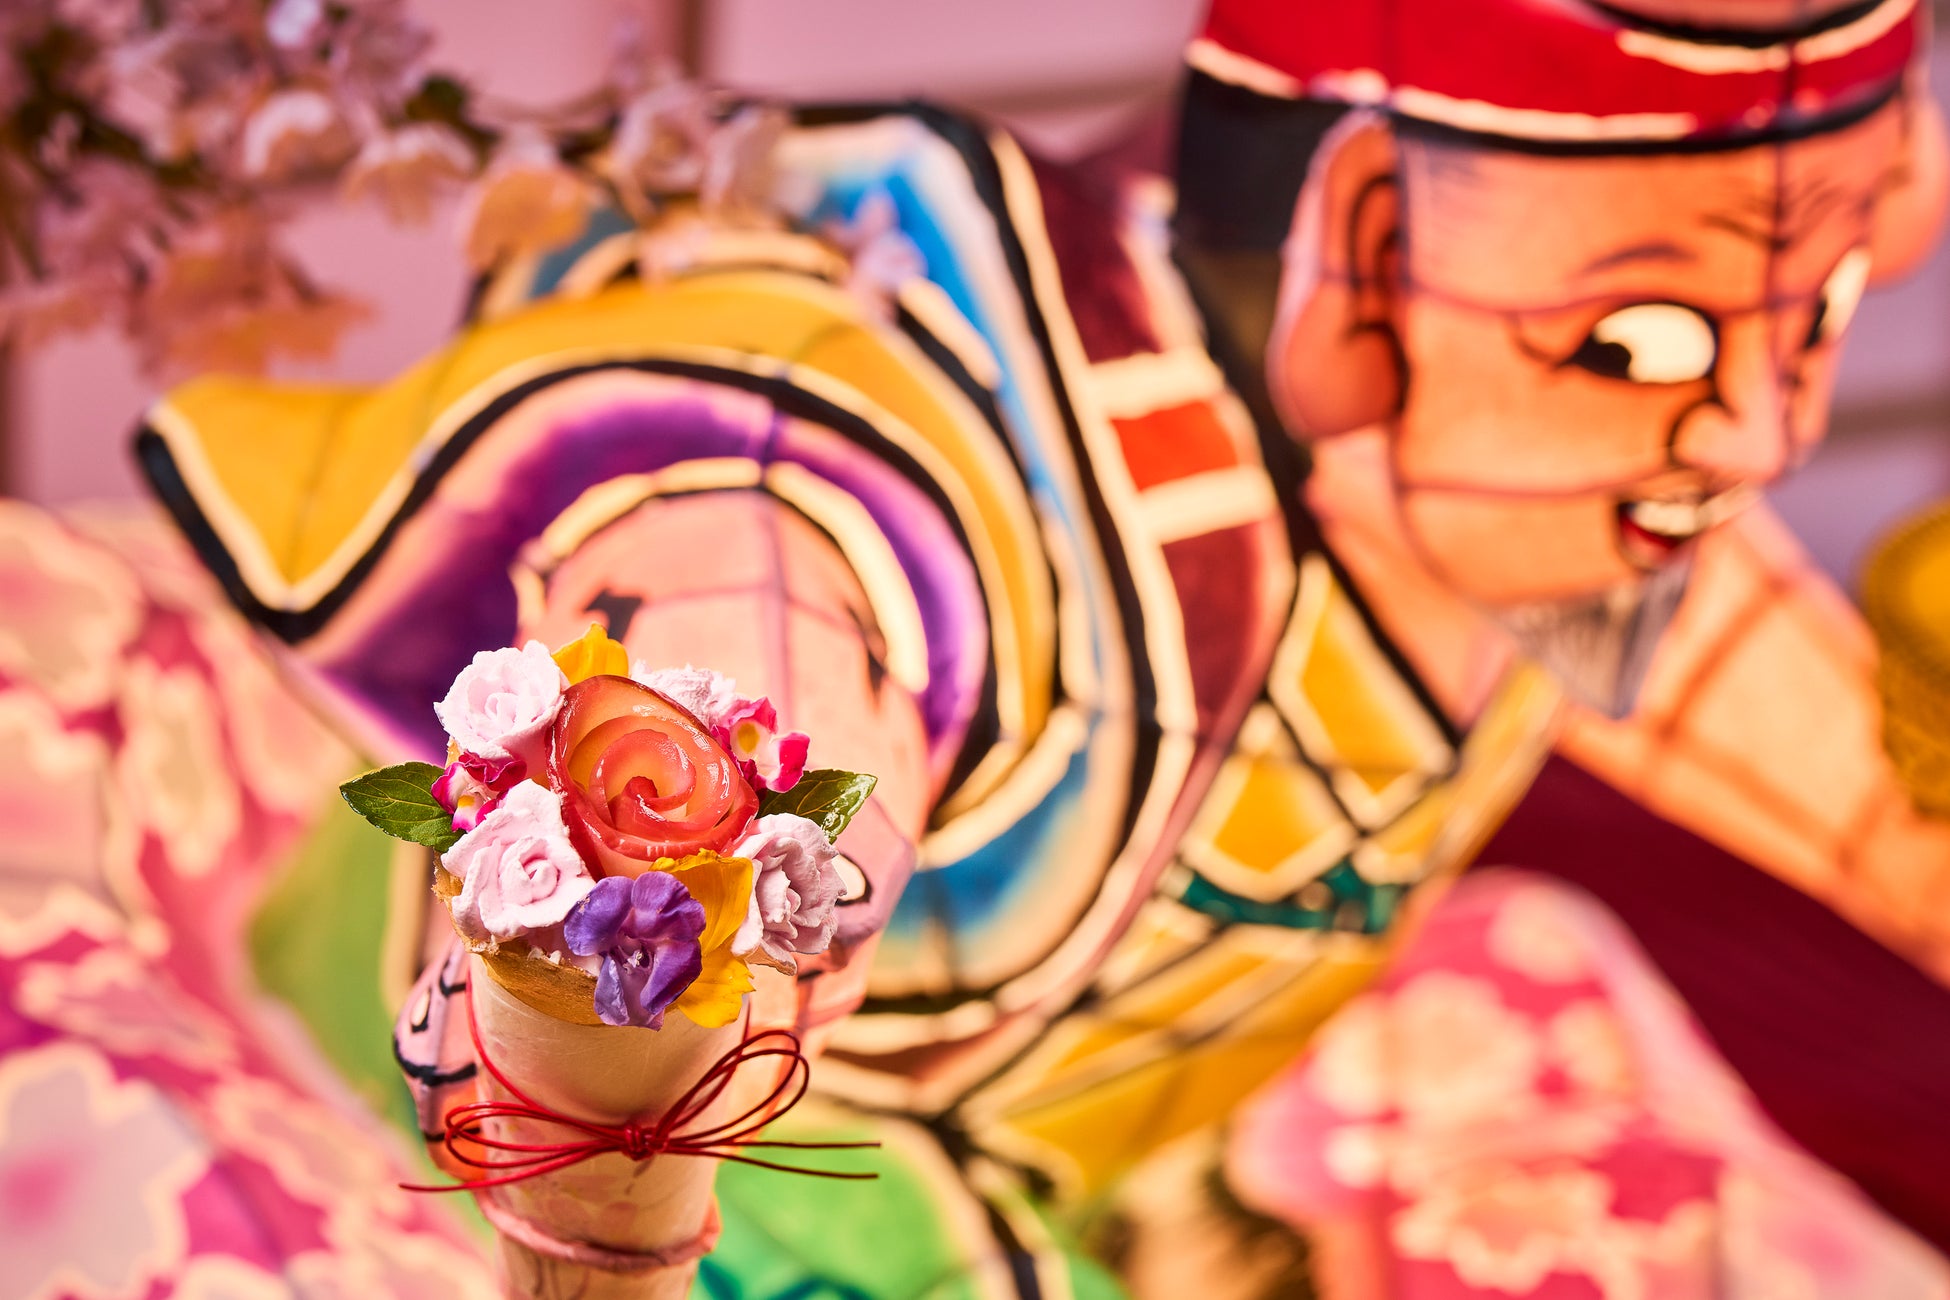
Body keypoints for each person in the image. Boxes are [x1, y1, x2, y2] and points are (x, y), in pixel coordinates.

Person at [2, 4, 1947, 1300]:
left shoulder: (1560, 492)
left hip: (1041, 1144)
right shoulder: (940, 416)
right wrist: (692, 826)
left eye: (1826, 308)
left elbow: (1832, 770)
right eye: (1647, 337)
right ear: (1358, 253)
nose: (1765, 428)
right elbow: (769, 538)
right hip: (617, 1174)